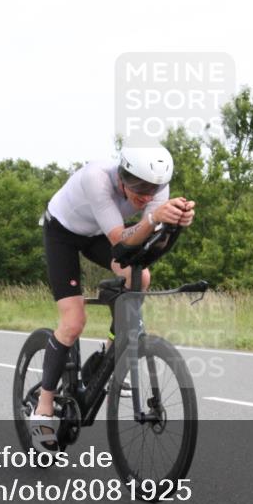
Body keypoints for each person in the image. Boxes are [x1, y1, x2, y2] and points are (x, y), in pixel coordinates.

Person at [32, 146, 195, 450]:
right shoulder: (97, 179)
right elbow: (121, 244)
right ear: (122, 176)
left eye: (154, 189)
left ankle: (110, 349)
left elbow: (148, 252)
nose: (146, 196)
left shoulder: (158, 187)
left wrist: (173, 228)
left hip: (99, 234)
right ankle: (43, 407)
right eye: (139, 188)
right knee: (73, 321)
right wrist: (152, 219)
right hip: (64, 232)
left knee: (140, 276)